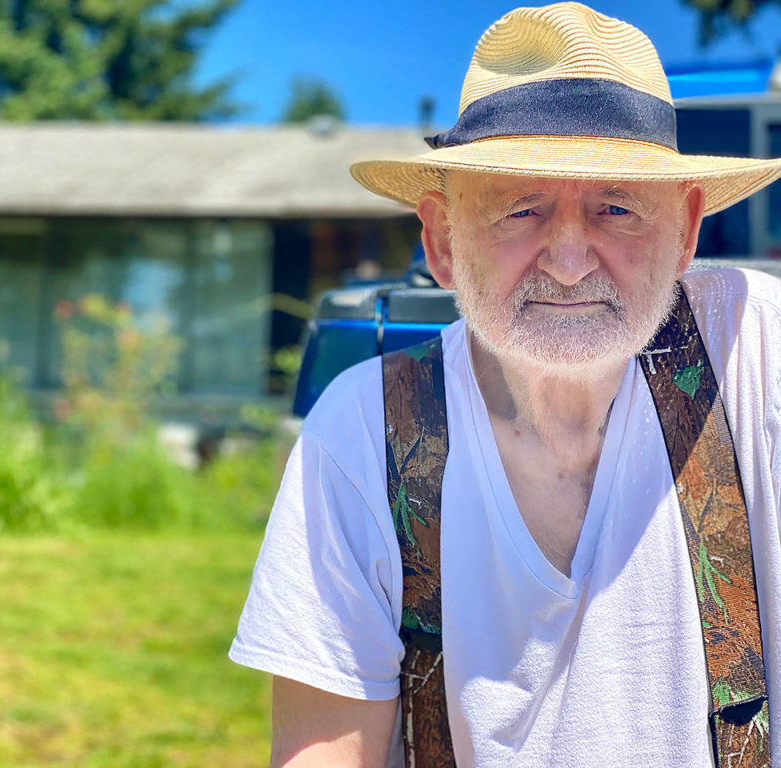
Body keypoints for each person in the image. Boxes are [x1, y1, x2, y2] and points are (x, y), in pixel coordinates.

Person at [229, 3, 781, 767]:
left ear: (686, 231)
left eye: (616, 208)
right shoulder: (362, 434)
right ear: (443, 242)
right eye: (520, 209)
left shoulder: (759, 362)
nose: (569, 260)